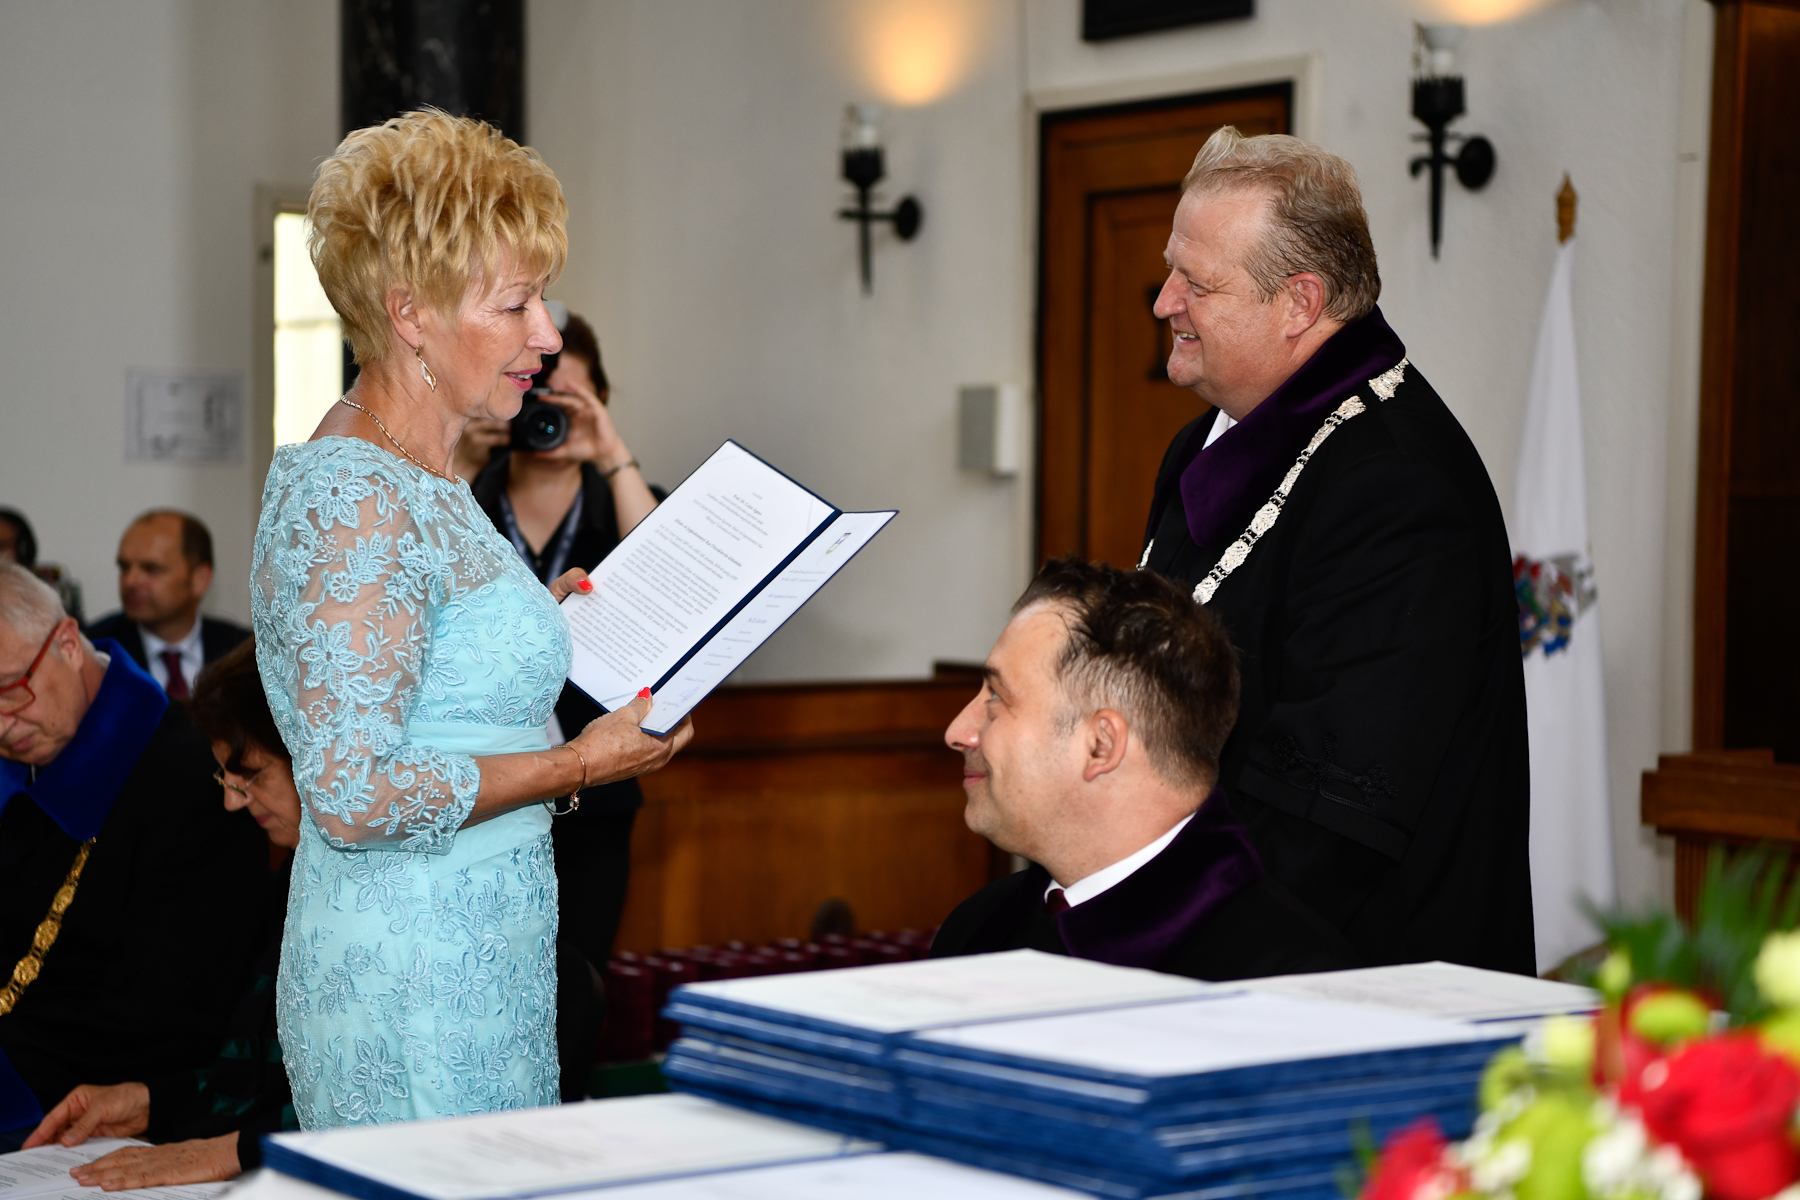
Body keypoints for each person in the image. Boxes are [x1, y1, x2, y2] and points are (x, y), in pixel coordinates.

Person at [254, 108, 692, 1128]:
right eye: (517, 303)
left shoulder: (429, 476)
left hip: (483, 946)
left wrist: (533, 619)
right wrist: (579, 764)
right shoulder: (355, 492)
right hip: (414, 968)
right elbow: (352, 794)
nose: (548, 335)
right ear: (411, 312)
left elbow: (430, 670)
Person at [1137, 126, 1531, 972]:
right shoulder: (1201, 446)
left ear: (1301, 303)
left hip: (1360, 980)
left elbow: (1329, 821)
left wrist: (1138, 925)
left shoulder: (1395, 484)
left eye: (1197, 282)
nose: (1164, 302)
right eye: (1171, 271)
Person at [930, 558, 1356, 978]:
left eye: (996, 698)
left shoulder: (1287, 981)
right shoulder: (977, 929)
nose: (957, 732)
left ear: (1101, 746)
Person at [0, 564, 266, 1150]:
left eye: (10, 689)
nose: (2, 723)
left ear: (68, 644)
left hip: (84, 1098)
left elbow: (164, 1023)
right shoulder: (26, 753)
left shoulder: (191, 780)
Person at [465, 312, 660, 1100]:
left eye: (569, 399)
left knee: (571, 994)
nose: (547, 414)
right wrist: (461, 452)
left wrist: (610, 452)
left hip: (595, 797)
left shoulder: (623, 502)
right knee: (480, 992)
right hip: (481, 786)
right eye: (535, 392)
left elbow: (672, 592)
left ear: (601, 401)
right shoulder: (467, 497)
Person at [22, 640, 298, 1188]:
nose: (232, 802)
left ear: (314, 757)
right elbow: (262, 1075)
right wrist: (152, 1100)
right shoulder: (299, 869)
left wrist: (235, 1149)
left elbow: (382, 1110)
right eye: (225, 778)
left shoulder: (387, 890)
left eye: (250, 775)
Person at [86, 511, 249, 699]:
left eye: (151, 569)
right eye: (124, 567)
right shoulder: (94, 651)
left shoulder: (245, 654)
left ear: (200, 579)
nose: (130, 581)